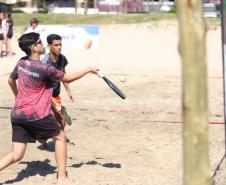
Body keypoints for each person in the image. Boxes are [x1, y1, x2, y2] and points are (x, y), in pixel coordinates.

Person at [0, 32, 99, 184]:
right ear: (34, 48)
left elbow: (10, 80)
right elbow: (67, 78)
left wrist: (19, 97)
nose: (42, 44)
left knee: (16, 154)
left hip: (18, 114)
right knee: (60, 137)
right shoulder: (44, 68)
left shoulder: (21, 63)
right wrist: (89, 70)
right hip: (36, 115)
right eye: (40, 42)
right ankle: (62, 177)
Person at [41, 34, 74, 129]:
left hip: (56, 96)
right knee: (59, 122)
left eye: (60, 44)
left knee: (61, 123)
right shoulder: (45, 63)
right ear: (49, 46)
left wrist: (68, 91)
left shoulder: (62, 58)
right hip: (46, 97)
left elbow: (64, 75)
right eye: (56, 45)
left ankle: (47, 140)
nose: (59, 47)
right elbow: (40, 86)